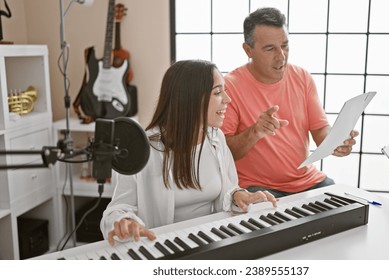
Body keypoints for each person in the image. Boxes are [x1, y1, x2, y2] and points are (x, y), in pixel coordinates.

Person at [100, 60, 278, 246]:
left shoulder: (216, 139)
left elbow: (227, 189)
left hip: (210, 241)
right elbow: (117, 209)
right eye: (218, 92)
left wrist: (238, 195)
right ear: (191, 99)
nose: (227, 99)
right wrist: (124, 222)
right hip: (160, 247)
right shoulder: (144, 148)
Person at [221, 7, 359, 198]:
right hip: (257, 187)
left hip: (308, 180)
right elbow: (225, 153)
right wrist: (255, 131)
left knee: (346, 208)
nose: (281, 56)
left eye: (285, 46)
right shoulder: (229, 86)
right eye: (270, 49)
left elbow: (320, 130)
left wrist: (336, 142)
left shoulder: (302, 77)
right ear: (248, 50)